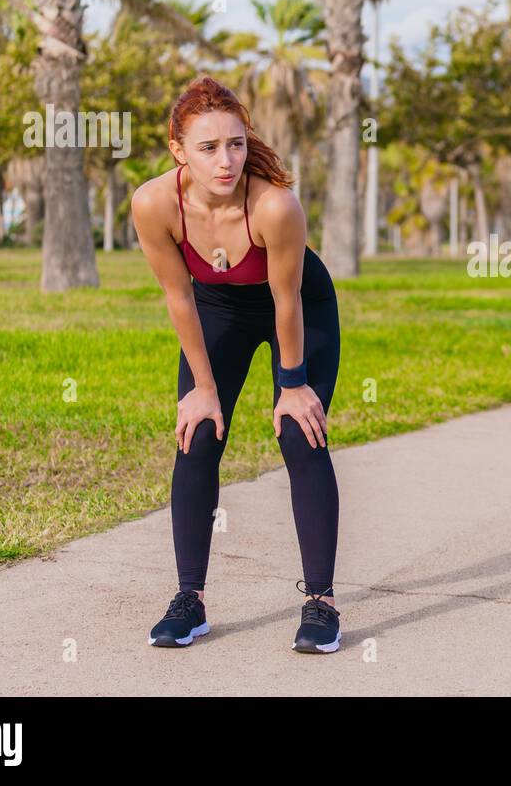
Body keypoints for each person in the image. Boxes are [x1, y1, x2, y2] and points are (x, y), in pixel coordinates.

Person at [130, 76, 343, 653]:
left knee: (302, 435)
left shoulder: (274, 205)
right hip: (216, 307)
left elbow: (288, 301)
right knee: (196, 435)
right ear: (178, 150)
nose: (226, 161)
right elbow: (179, 296)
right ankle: (189, 600)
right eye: (207, 148)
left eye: (236, 144)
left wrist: (293, 384)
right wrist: (203, 387)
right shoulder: (154, 203)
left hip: (296, 304)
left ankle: (320, 604)